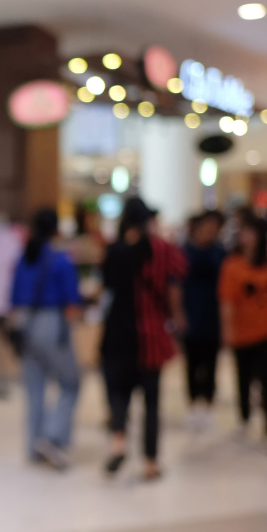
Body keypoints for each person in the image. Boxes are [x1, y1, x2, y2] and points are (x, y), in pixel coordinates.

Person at [101, 197, 186, 481]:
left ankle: (119, 441)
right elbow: (175, 281)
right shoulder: (162, 250)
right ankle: (151, 460)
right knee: (151, 401)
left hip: (118, 333)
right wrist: (176, 317)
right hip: (150, 333)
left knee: (119, 394)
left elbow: (107, 287)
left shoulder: (115, 251)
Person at [9, 209, 82, 470]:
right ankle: (52, 437)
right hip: (51, 323)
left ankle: (33, 444)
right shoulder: (61, 260)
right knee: (71, 383)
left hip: (25, 324)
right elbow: (72, 303)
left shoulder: (22, 259)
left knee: (34, 388)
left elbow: (13, 301)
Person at [218, 211, 267, 444]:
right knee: (244, 379)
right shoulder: (232, 266)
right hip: (242, 333)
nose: (245, 237)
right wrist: (227, 330)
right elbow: (227, 301)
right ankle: (244, 418)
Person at [182, 210, 226, 431]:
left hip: (213, 316)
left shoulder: (220, 252)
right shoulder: (185, 252)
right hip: (191, 314)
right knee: (191, 365)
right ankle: (192, 405)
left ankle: (207, 405)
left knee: (210, 365)